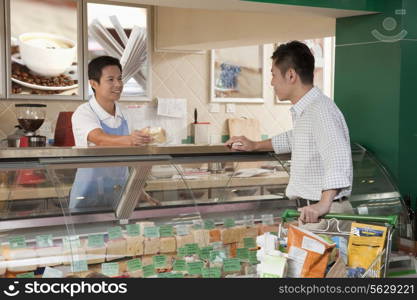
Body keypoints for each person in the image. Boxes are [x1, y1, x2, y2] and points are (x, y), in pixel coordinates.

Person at [226, 41, 353, 230]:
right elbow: (295, 139)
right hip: (314, 213)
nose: (271, 82)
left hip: (322, 214)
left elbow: (337, 156)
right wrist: (254, 145)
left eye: (273, 74)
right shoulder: (309, 110)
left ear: (291, 75)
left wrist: (323, 204)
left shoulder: (320, 110)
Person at [70, 56, 156, 208]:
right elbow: (99, 138)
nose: (118, 84)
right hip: (88, 195)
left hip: (119, 195)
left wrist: (140, 192)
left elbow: (131, 161)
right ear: (93, 83)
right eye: (110, 79)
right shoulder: (83, 113)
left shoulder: (125, 114)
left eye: (120, 78)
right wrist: (130, 140)